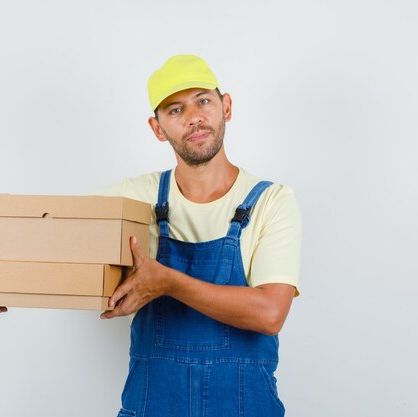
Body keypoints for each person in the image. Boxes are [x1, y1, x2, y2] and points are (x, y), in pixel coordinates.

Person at [99, 54, 301, 417]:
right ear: (157, 128)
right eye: (175, 110)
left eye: (203, 101)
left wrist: (168, 282)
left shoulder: (271, 201)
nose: (193, 117)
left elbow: (270, 313)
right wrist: (7, 281)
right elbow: (59, 231)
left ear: (226, 106)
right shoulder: (135, 197)